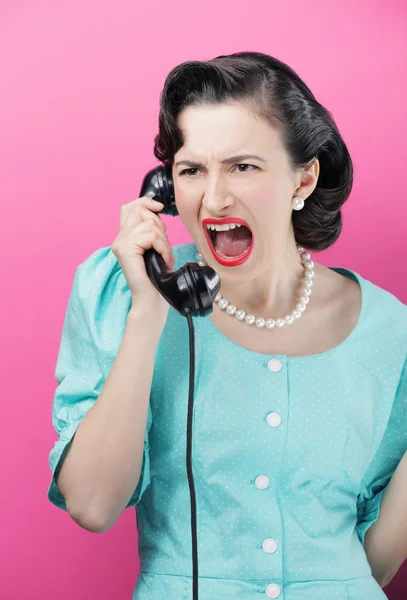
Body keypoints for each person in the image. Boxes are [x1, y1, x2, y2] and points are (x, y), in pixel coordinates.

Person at [48, 52, 407, 599]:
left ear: (302, 178)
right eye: (191, 171)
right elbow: (93, 505)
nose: (213, 199)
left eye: (244, 166)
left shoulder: (392, 331)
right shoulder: (120, 292)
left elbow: (373, 565)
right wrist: (148, 310)